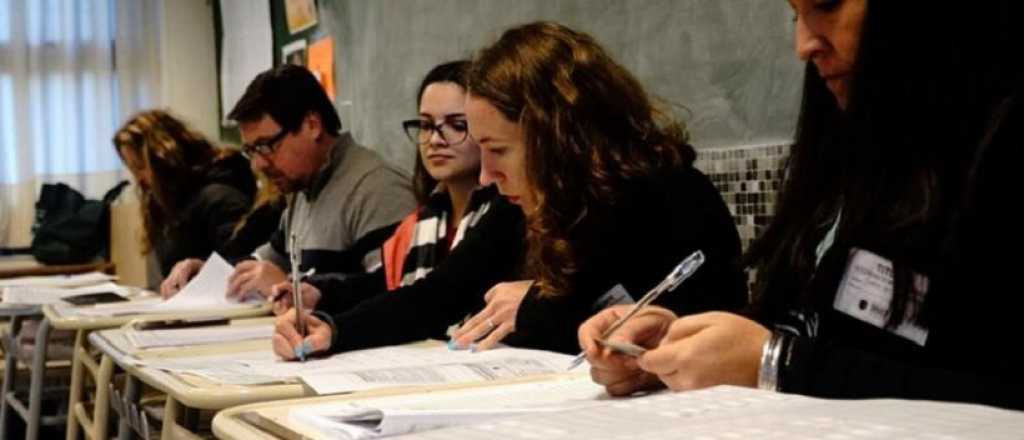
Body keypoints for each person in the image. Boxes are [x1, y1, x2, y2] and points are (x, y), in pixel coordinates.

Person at [579, 0, 1024, 410]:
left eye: (827, 5)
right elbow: (824, 335)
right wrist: (676, 344)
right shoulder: (869, 155)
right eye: (796, 15)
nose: (802, 45)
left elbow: (991, 389)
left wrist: (776, 364)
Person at [271, 21, 746, 360]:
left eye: (497, 150)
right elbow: (441, 291)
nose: (485, 175)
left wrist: (538, 307)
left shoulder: (668, 197)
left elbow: (648, 329)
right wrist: (333, 330)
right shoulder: (528, 199)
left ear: (558, 139)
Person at [160, 65, 416, 305]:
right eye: (251, 150)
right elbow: (263, 263)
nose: (258, 164)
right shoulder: (303, 189)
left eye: (266, 146)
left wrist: (291, 287)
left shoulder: (377, 189)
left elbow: (396, 292)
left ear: (312, 126)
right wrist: (207, 272)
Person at [270, 60, 501, 315]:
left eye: (457, 125)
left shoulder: (505, 214)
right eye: (425, 126)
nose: (435, 140)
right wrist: (320, 294)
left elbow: (433, 294)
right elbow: (387, 287)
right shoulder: (417, 224)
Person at [113, 109, 279, 276]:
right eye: (132, 169)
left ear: (162, 158)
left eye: (140, 166)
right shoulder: (168, 203)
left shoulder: (220, 197)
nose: (138, 178)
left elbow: (238, 266)